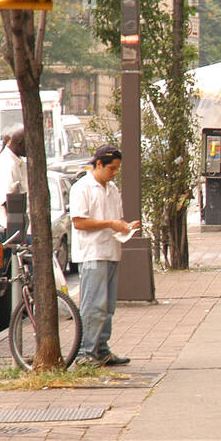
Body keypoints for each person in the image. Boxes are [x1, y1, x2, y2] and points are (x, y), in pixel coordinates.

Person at [69, 146, 140, 366]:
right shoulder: (82, 188)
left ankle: (101, 348)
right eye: (111, 168)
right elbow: (79, 222)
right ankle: (86, 352)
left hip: (111, 250)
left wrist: (124, 226)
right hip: (92, 252)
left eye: (117, 169)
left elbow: (114, 218)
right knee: (93, 304)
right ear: (98, 164)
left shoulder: (112, 188)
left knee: (107, 306)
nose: (114, 173)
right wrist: (110, 224)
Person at [0, 126, 28, 232]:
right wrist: (18, 232)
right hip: (9, 229)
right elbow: (9, 202)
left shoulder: (18, 162)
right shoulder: (6, 164)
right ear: (20, 143)